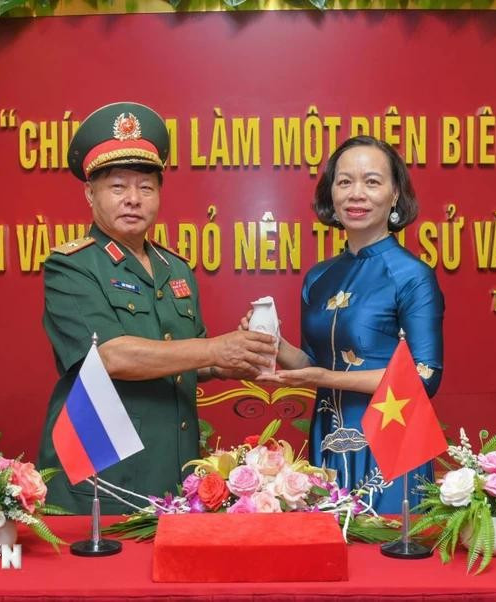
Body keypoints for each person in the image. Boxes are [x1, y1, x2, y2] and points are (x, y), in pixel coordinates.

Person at [37, 102, 276, 514]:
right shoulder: (71, 265)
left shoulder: (175, 267)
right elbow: (110, 356)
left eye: (145, 188)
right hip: (106, 474)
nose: (133, 199)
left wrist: (233, 359)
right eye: (117, 187)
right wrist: (216, 350)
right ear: (89, 193)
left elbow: (189, 354)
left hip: (174, 471)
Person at [257, 135, 444, 513]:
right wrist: (273, 344)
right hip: (328, 437)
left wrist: (323, 379)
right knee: (328, 555)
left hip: (393, 440)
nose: (356, 193)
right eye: (344, 182)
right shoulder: (318, 278)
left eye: (372, 181)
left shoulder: (412, 275)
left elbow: (424, 377)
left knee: (387, 557)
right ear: (331, 195)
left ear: (395, 196)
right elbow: (314, 365)